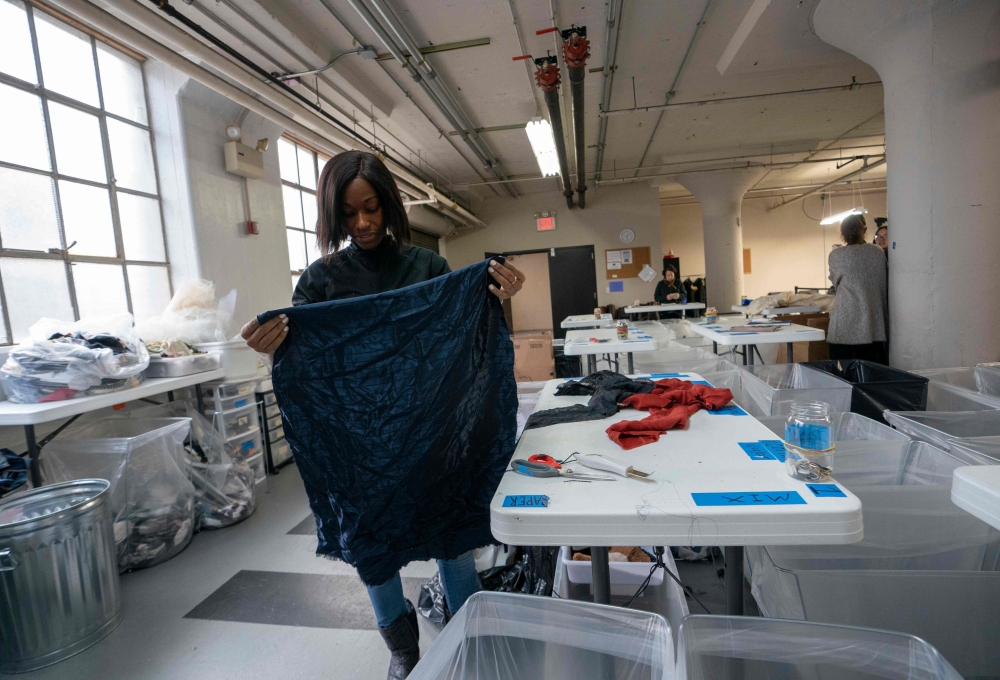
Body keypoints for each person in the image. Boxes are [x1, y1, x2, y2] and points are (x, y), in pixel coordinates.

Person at [239, 150, 525, 679]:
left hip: (432, 432)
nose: (364, 223)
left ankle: (467, 641)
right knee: (372, 545)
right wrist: (269, 346)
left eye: (372, 208)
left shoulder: (427, 268)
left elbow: (462, 338)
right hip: (358, 445)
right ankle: (403, 651)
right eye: (349, 214)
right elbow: (304, 363)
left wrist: (498, 293)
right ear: (333, 215)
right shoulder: (320, 282)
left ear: (389, 205)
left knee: (452, 534)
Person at [827, 214, 888, 364]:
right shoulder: (877, 252)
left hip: (843, 325)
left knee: (844, 377)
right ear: (865, 229)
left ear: (843, 233)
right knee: (871, 376)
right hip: (872, 324)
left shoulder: (836, 255)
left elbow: (836, 284)